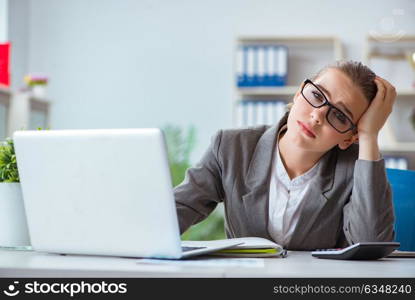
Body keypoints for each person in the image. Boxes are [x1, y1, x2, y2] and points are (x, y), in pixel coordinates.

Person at [174, 60, 396, 250]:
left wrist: (369, 135)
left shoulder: (355, 169)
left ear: (350, 138)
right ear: (299, 92)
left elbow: (371, 245)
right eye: (317, 95)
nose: (317, 115)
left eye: (339, 115)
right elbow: (170, 216)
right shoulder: (230, 148)